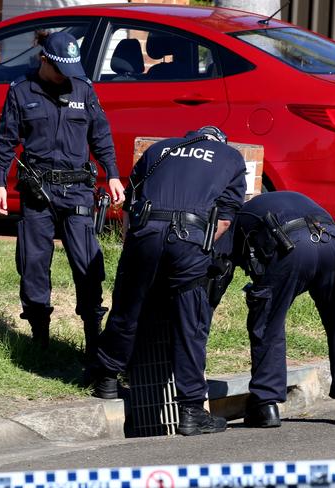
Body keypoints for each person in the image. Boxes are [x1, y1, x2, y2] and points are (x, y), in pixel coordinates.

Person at [90, 126, 247, 436]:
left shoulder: (159, 149)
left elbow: (129, 202)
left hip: (145, 232)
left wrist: (132, 245)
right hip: (189, 238)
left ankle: (107, 379)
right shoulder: (231, 157)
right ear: (219, 141)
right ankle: (191, 411)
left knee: (127, 306)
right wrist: (200, 249)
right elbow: (226, 218)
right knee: (190, 321)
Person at [0, 31, 125, 357]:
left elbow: (101, 134)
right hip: (38, 191)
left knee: (88, 265)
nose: (67, 76)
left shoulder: (83, 88)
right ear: (44, 60)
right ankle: (40, 341)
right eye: (60, 69)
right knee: (33, 264)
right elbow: (5, 140)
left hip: (78, 191)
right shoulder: (21, 91)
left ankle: (94, 343)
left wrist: (113, 175)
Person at [232, 191, 335, 427]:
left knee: (268, 322)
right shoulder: (295, 198)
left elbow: (223, 267)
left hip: (290, 247)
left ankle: (265, 405)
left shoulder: (239, 217)